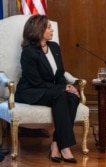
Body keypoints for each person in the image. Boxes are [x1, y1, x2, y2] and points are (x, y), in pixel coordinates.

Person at [15, 15, 80, 163]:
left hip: (51, 89)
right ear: (39, 29)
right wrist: (63, 88)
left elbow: (60, 73)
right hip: (30, 90)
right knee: (60, 95)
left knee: (73, 97)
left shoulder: (54, 47)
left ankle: (56, 143)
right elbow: (36, 82)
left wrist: (68, 87)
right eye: (49, 27)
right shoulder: (29, 52)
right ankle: (65, 147)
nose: (52, 30)